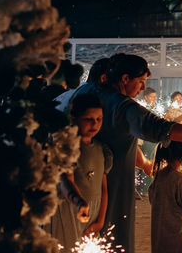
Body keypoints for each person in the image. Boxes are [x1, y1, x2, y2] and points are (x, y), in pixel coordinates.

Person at [71, 54, 182, 253]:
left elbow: (120, 137)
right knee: (113, 239)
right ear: (125, 79)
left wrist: (145, 163)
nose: (144, 88)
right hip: (112, 186)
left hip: (78, 186)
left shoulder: (86, 92)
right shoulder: (123, 106)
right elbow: (161, 128)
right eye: (141, 81)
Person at [48, 93, 112, 251]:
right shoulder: (66, 148)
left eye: (99, 119)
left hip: (93, 213)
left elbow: (103, 189)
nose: (94, 124)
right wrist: (80, 203)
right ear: (74, 119)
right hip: (69, 211)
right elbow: (67, 181)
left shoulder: (101, 149)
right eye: (88, 119)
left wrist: (100, 221)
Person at [136, 87, 160, 197]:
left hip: (155, 139)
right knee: (145, 161)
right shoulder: (142, 109)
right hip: (146, 139)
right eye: (152, 96)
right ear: (146, 97)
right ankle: (144, 188)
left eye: (155, 97)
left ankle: (152, 187)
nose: (154, 99)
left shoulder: (157, 109)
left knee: (154, 162)